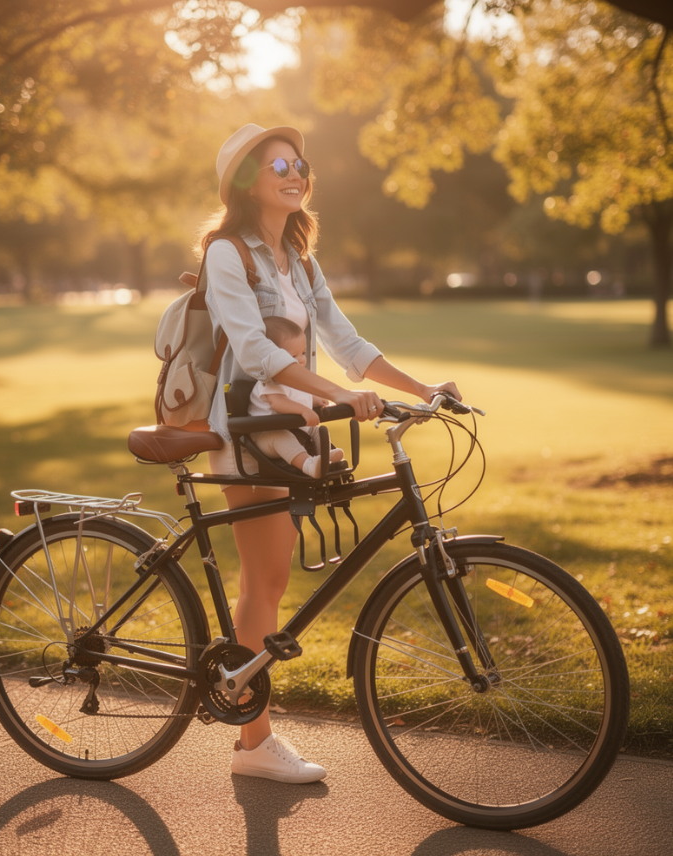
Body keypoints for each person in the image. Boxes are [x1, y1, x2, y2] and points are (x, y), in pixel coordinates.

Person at [201, 123, 461, 783]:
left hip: (294, 427)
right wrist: (338, 394)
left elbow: (347, 341)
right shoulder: (227, 254)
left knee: (269, 579)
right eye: (278, 165)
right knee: (265, 579)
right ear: (246, 182)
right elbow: (254, 348)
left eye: (300, 164)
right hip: (249, 428)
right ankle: (254, 743)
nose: (295, 173)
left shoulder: (300, 260)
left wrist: (421, 388)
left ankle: (249, 727)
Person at [249, 316, 346, 478]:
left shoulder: (294, 380)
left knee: (316, 430)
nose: (301, 359)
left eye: (303, 353)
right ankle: (307, 464)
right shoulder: (269, 380)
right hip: (267, 436)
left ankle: (325, 457)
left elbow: (299, 395)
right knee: (282, 437)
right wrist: (303, 410)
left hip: (294, 429)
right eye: (293, 356)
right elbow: (278, 402)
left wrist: (315, 400)